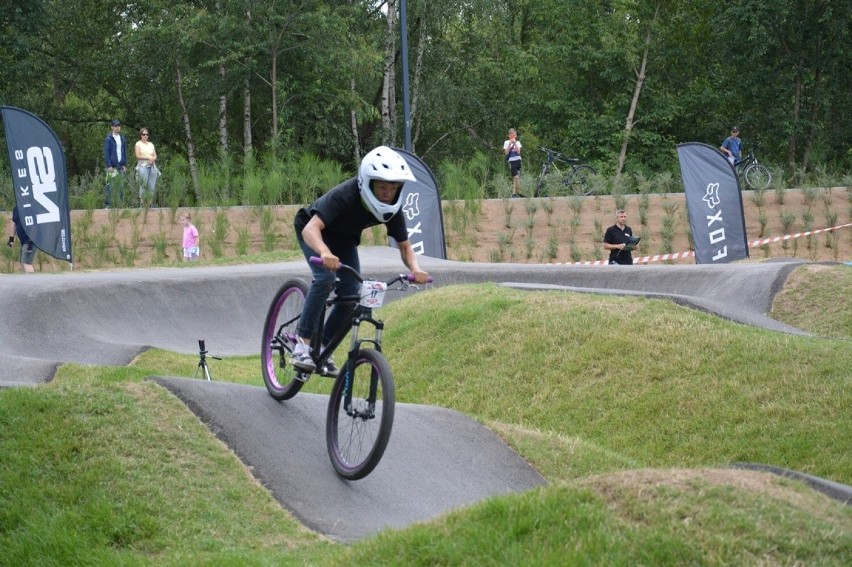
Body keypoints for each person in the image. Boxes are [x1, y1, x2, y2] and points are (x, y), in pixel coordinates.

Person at [291, 145, 429, 377]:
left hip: (344, 239)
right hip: (313, 230)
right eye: (382, 186)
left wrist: (415, 268)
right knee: (325, 278)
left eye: (393, 187)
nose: (387, 192)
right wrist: (324, 252)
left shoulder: (392, 210)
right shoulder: (345, 195)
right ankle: (301, 345)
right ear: (368, 182)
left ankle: (322, 348)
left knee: (352, 294)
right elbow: (310, 229)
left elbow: (405, 246)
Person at [104, 119, 128, 208]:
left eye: (119, 126)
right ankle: (108, 205)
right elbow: (106, 153)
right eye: (115, 126)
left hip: (120, 166)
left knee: (121, 186)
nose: (117, 127)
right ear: (112, 127)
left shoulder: (122, 139)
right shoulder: (108, 139)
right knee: (110, 185)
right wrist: (109, 165)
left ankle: (120, 204)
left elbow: (125, 152)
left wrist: (125, 164)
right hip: (112, 166)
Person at [135, 127, 159, 207]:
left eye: (147, 134)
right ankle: (142, 204)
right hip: (143, 166)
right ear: (140, 135)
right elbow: (138, 156)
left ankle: (150, 203)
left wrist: (152, 159)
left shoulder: (151, 144)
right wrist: (148, 158)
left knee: (151, 186)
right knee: (143, 185)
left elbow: (155, 155)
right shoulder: (138, 144)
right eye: (143, 134)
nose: (145, 136)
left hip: (152, 166)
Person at [7, 206, 36, 272]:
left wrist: (30, 240)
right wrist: (11, 239)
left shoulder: (30, 206)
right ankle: (31, 279)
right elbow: (14, 224)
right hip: (23, 240)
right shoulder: (16, 208)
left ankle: (33, 281)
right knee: (23, 262)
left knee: (26, 263)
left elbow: (35, 224)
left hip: (30, 240)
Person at [503, 128, 524, 198]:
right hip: (512, 161)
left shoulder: (518, 143)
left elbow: (518, 152)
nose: (513, 136)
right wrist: (510, 144)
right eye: (512, 135)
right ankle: (519, 192)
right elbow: (506, 153)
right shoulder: (506, 142)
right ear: (509, 136)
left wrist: (515, 143)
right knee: (516, 177)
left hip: (518, 160)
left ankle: (514, 193)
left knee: (515, 177)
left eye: (514, 135)